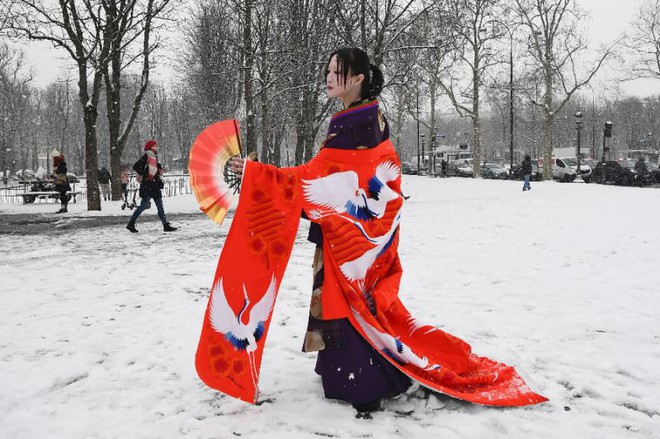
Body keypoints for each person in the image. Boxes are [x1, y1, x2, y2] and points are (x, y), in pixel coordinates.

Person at [126, 140, 177, 233]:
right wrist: (145, 175)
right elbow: (137, 166)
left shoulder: (153, 157)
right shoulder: (147, 156)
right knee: (145, 206)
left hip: (153, 186)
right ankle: (131, 223)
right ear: (150, 148)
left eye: (156, 146)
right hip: (149, 186)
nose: (155, 148)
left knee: (157, 206)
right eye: (154, 146)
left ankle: (165, 224)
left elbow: (154, 169)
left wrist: (159, 169)